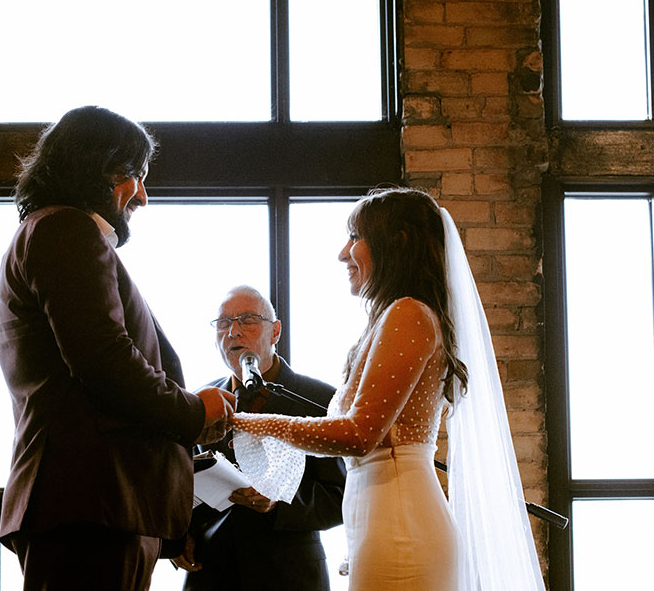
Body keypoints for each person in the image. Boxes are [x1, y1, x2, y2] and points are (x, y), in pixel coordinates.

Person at [231, 187, 545, 591]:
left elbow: (360, 435)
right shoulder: (389, 319)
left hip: (401, 525)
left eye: (356, 237)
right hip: (384, 523)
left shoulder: (408, 314)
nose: (343, 253)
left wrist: (249, 423)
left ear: (397, 243)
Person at [0, 106, 235, 591]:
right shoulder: (67, 230)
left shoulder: (53, 233)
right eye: (134, 176)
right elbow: (104, 360)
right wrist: (194, 411)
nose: (142, 197)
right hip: (92, 506)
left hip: (97, 507)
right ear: (94, 167)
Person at [172, 286, 347, 590]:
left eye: (247, 320)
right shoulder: (200, 400)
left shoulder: (318, 398)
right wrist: (178, 535)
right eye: (224, 323)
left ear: (275, 332)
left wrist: (279, 503)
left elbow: (342, 495)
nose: (234, 332)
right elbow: (181, 484)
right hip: (210, 571)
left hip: (290, 574)